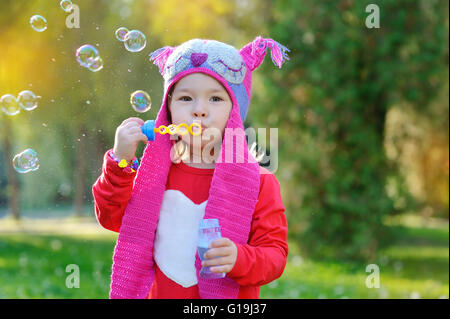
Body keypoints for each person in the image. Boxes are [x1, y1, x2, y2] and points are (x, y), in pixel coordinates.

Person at [92, 36, 290, 299]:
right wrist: (121, 160)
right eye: (186, 98)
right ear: (168, 111)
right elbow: (111, 218)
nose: (199, 110)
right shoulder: (155, 176)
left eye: (216, 99)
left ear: (235, 111)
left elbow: (275, 255)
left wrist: (238, 258)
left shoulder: (259, 182)